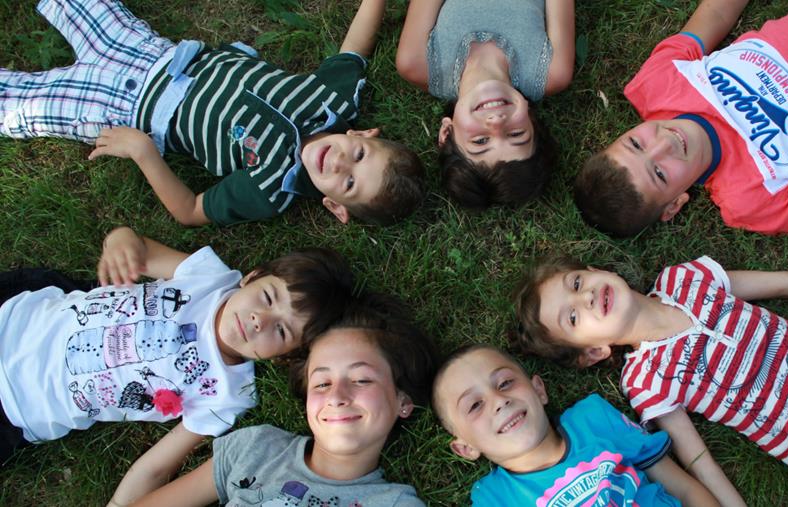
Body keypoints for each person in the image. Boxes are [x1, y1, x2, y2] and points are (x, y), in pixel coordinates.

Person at [0, 226, 355, 506]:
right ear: (252, 276)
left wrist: (120, 504)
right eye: (267, 297)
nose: (259, 320)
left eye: (281, 330)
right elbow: (136, 249)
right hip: (18, 316)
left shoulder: (228, 395)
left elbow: (158, 465)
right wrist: (120, 240)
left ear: (284, 357)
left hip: (18, 408)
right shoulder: (210, 278)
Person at [513, 255, 788, 505]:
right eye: (574, 319)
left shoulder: (686, 279)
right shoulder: (646, 381)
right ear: (596, 351)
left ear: (598, 270)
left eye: (577, 283)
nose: (587, 299)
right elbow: (699, 460)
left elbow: (782, 281)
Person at [1, 0, 425, 227]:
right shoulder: (333, 100)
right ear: (365, 134)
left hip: (124, 108)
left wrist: (144, 151)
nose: (338, 162)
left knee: (16, 105)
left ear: (334, 206)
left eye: (348, 183)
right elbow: (354, 49)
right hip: (155, 54)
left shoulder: (271, 190)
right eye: (360, 156)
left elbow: (191, 211)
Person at [574, 0, 788, 240]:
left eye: (636, 143)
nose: (664, 144)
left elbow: (715, 14)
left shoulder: (657, 85)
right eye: (659, 173)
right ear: (674, 205)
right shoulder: (748, 199)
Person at [131, 293, 438, 507]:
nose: (336, 396)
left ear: (402, 401)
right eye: (321, 383)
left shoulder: (394, 503)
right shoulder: (257, 449)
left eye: (361, 380)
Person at [431, 344, 718, 506]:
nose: (498, 400)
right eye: (475, 405)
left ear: (539, 390)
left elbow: (685, 489)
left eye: (505, 383)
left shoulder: (593, 419)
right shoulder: (494, 497)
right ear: (465, 447)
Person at [395, 0, 574, 210]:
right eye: (516, 134)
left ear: (446, 133)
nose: (497, 122)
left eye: (480, 141)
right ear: (532, 120)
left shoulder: (416, 63)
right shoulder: (552, 72)